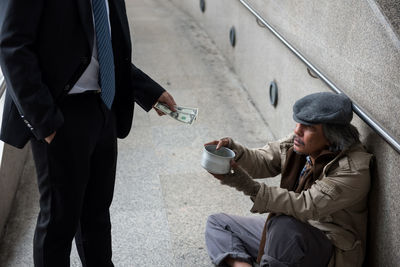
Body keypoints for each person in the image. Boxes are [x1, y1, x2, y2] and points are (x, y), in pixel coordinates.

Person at [0, 0, 176, 266]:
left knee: (96, 216)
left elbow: (107, 47)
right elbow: (12, 46)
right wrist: (45, 122)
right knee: (58, 224)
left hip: (103, 106)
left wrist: (147, 90)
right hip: (59, 114)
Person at [204, 92, 372, 267]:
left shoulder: (353, 170)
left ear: (331, 136)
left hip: (329, 247)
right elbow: (263, 160)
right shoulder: (299, 144)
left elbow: (306, 205)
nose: (297, 131)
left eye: (308, 127)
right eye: (298, 123)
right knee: (219, 223)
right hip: (292, 231)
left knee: (282, 226)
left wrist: (246, 185)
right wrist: (234, 151)